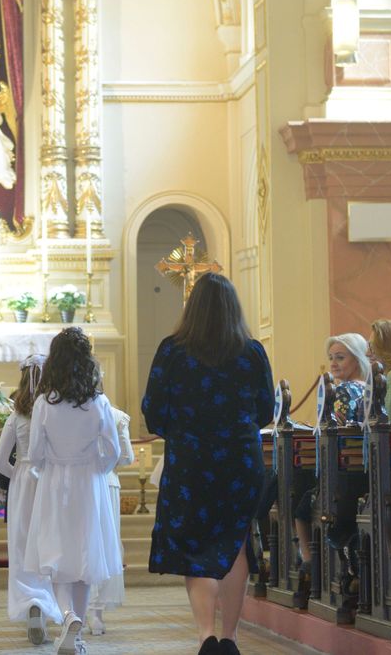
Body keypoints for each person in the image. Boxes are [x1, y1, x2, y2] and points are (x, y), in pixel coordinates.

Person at [142, 273, 274, 655]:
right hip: (240, 461)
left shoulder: (172, 350)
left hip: (190, 463)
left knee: (195, 542)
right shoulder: (252, 351)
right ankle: (231, 637)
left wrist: (183, 431)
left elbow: (153, 410)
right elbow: (266, 409)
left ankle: (206, 636)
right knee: (234, 543)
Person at [24, 327, 122, 655]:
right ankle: (76, 631)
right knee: (84, 560)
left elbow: (35, 452)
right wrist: (96, 469)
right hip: (88, 483)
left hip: (55, 481)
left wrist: (48, 465)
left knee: (55, 558)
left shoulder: (44, 403)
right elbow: (113, 450)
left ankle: (67, 618)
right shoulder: (98, 403)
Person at [0, 355, 62, 645]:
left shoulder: (15, 416)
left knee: (21, 547)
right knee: (49, 545)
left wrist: (18, 473)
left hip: (22, 483)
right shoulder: (54, 413)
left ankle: (30, 603)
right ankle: (47, 605)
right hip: (49, 481)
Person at [293, 333, 369, 573]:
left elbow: (333, 432)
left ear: (356, 359)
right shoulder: (372, 387)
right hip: (365, 472)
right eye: (331, 358)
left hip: (343, 475)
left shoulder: (344, 391)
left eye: (340, 357)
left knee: (300, 505)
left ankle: (307, 560)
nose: (334, 363)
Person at [86, 407, 134, 637]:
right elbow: (126, 458)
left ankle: (76, 606)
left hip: (78, 482)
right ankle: (95, 611)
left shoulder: (69, 410)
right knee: (105, 544)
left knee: (82, 543)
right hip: (107, 482)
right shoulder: (116, 415)